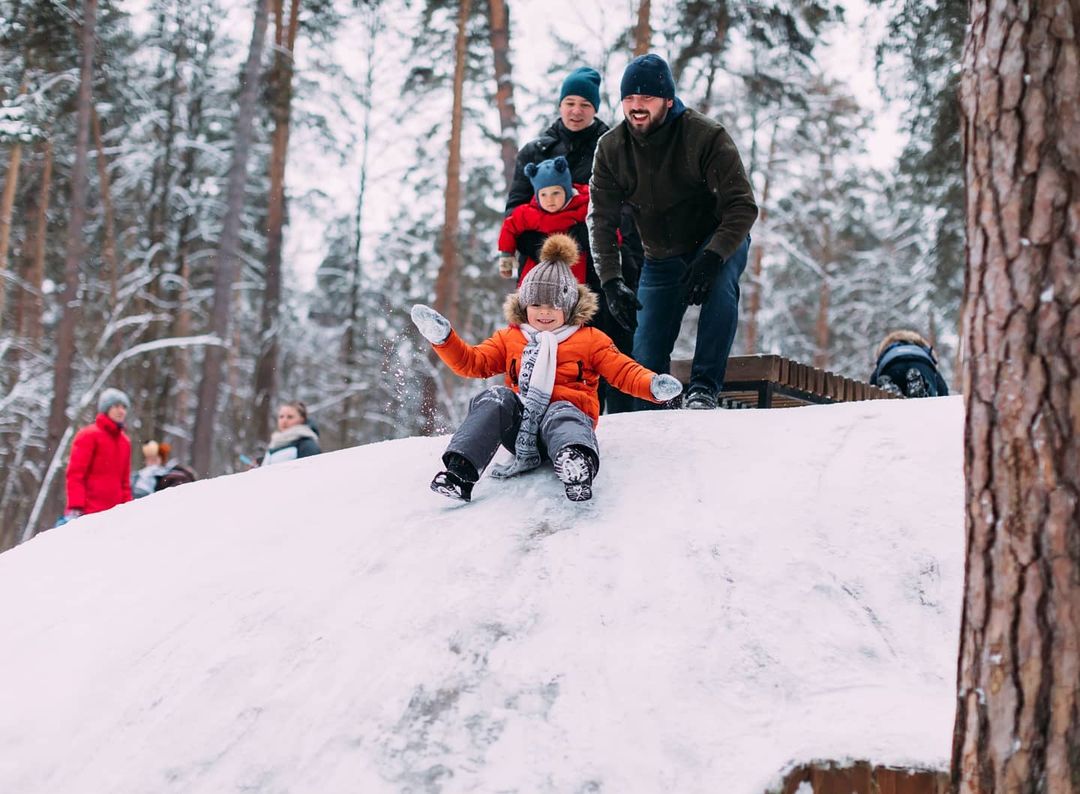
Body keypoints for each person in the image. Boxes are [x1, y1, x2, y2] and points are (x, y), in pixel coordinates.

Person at [410, 234, 683, 503]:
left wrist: (652, 385)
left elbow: (623, 371)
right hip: (520, 430)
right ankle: (460, 473)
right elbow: (473, 363)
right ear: (524, 305)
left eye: (554, 305)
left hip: (568, 430)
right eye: (536, 304)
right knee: (497, 397)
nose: (544, 312)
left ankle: (577, 465)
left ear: (569, 306)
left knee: (562, 407)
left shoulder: (590, 339)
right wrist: (444, 339)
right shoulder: (511, 337)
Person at [588, 53, 758, 410]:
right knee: (646, 349)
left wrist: (713, 256)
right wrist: (611, 280)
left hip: (716, 241)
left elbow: (742, 206)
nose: (636, 107)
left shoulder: (705, 136)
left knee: (720, 291)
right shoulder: (611, 148)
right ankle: (656, 408)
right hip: (661, 257)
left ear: (668, 99)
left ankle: (703, 390)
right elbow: (600, 220)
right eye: (629, 99)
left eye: (646, 98)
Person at [505, 66, 644, 415]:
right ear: (560, 104)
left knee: (606, 344)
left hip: (604, 266)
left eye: (585, 103)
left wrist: (608, 250)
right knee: (544, 345)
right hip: (545, 273)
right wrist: (553, 249)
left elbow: (630, 208)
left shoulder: (615, 146)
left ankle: (621, 420)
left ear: (595, 108)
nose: (576, 110)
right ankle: (538, 414)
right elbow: (515, 213)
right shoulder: (535, 151)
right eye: (570, 102)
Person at [497, 156, 590, 284]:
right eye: (543, 194)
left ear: (567, 191)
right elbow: (509, 226)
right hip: (536, 272)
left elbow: (605, 227)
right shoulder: (530, 213)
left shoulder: (583, 207)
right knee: (534, 298)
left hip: (573, 272)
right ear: (537, 195)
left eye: (556, 193)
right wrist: (506, 257)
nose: (549, 200)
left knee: (571, 298)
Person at [63, 387, 133, 521]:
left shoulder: (125, 442)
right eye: (116, 406)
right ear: (106, 409)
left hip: (116, 514)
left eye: (124, 407)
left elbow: (124, 482)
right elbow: (75, 474)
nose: (121, 411)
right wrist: (76, 507)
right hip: (88, 513)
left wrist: (127, 508)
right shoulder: (88, 435)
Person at [870, 330, 949, 398]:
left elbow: (873, 382)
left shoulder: (887, 349)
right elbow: (942, 388)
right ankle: (921, 388)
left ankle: (889, 389)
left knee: (887, 394)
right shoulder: (923, 348)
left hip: (892, 365)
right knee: (930, 395)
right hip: (921, 364)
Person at [261, 400, 321, 466]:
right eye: (281, 416)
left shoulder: (307, 445)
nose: (284, 421)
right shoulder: (274, 443)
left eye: (290, 417)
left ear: (302, 419)